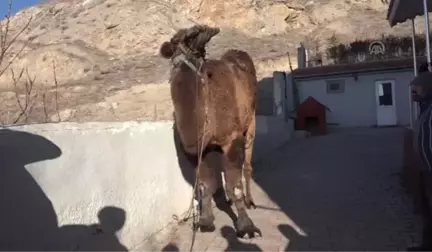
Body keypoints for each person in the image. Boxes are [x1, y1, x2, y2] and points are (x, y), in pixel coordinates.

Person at [407, 71, 432, 252]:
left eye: (417, 88)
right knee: (427, 211)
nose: (413, 92)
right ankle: (427, 246)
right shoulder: (425, 108)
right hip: (425, 171)